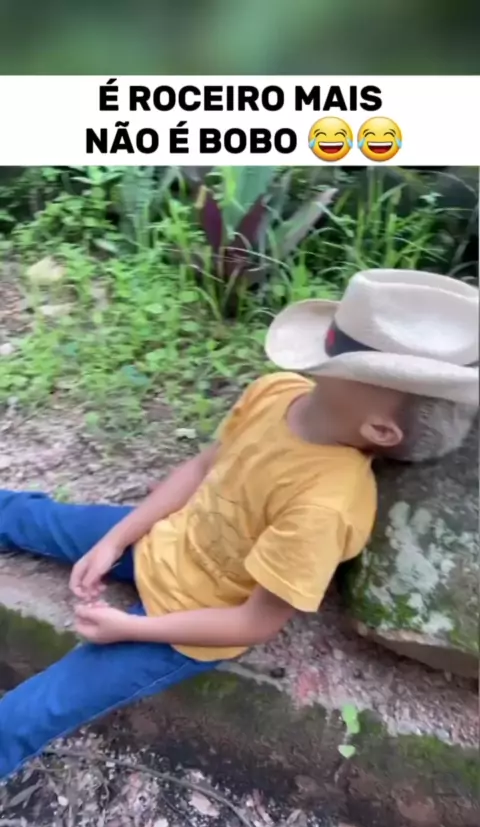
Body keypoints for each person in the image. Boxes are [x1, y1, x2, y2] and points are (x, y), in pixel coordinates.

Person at [0, 269, 478, 781]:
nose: (327, 345)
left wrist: (131, 629)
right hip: (167, 539)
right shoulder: (276, 392)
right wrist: (115, 540)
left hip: (189, 620)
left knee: (30, 712)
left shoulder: (326, 505)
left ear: (380, 428)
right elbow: (203, 467)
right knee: (31, 517)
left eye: (351, 363)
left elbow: (254, 623)